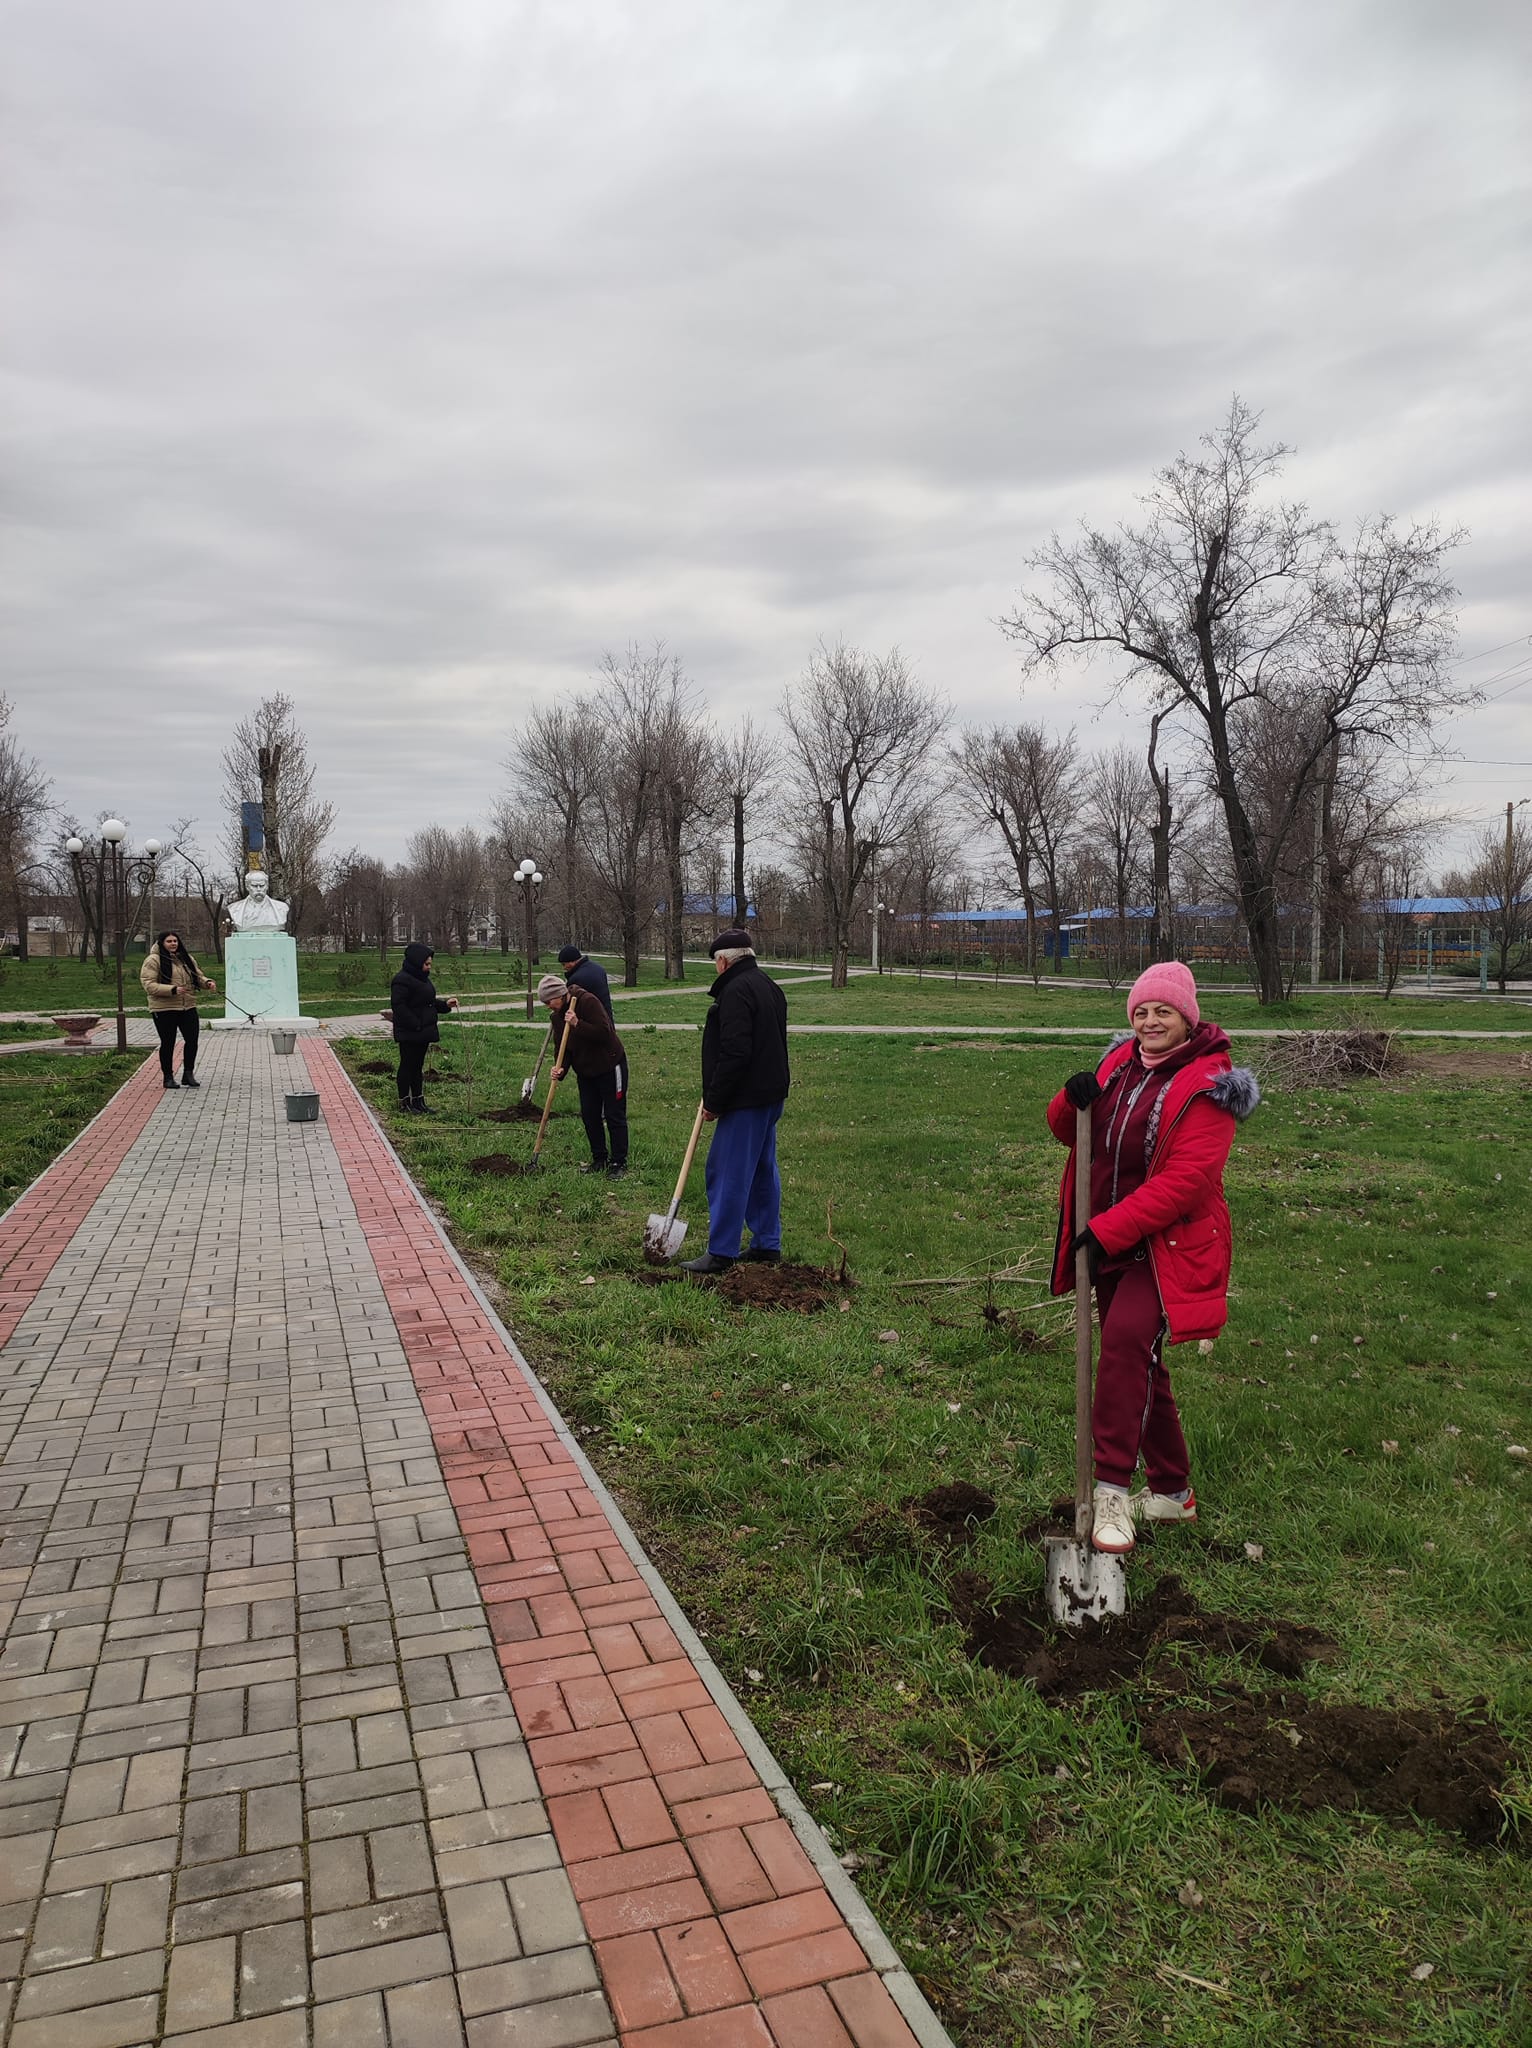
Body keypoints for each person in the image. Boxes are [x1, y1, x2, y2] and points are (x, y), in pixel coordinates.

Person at [1045, 961, 1259, 1557]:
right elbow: (1068, 1130)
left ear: (1187, 1018)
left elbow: (1187, 1182)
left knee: (1123, 1346)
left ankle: (1112, 1491)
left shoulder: (1209, 1087)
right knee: (1143, 1359)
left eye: (1162, 1011)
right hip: (1112, 1239)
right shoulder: (1120, 1064)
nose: (1149, 1021)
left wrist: (1109, 1229)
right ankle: (1171, 1491)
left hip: (1165, 1248)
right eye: (1140, 1011)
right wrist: (1072, 1096)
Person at [681, 928, 789, 1275]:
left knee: (725, 1171)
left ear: (723, 961)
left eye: (715, 963)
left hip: (746, 1099)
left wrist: (714, 1100)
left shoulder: (735, 993)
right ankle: (766, 1244)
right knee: (761, 1169)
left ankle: (722, 1251)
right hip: (770, 1096)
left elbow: (735, 1053)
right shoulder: (768, 986)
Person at [537, 973, 629, 1175]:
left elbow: (605, 1032)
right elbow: (564, 1049)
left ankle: (618, 1162)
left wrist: (578, 1023)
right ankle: (599, 1159)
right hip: (586, 1071)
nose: (548, 1006)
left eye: (549, 1001)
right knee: (590, 1115)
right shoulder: (557, 1017)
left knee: (614, 1114)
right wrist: (560, 1068)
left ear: (560, 995)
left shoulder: (587, 1002)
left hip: (610, 1065)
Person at [140, 931, 216, 1090]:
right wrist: (172, 990)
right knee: (168, 1043)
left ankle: (188, 1074)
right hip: (164, 1008)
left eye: (175, 941)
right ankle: (168, 1077)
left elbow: (197, 976)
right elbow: (149, 984)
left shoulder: (185, 959)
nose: (173, 943)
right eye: (169, 941)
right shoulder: (153, 960)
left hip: (187, 1006)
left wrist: (207, 982)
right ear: (162, 943)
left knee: (192, 1040)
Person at [389, 943, 459, 1113]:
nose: (429, 967)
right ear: (415, 962)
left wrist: (445, 1005)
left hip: (422, 1032)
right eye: (426, 964)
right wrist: (416, 1024)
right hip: (410, 1032)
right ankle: (404, 1103)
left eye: (430, 964)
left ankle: (418, 1102)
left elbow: (428, 1002)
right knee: (407, 1065)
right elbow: (399, 1006)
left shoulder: (422, 978)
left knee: (417, 1068)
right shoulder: (402, 980)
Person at [557, 945, 613, 1021]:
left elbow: (573, 1006)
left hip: (591, 1021)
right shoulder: (598, 968)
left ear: (572, 961)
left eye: (564, 964)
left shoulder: (576, 979)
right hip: (606, 1015)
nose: (564, 968)